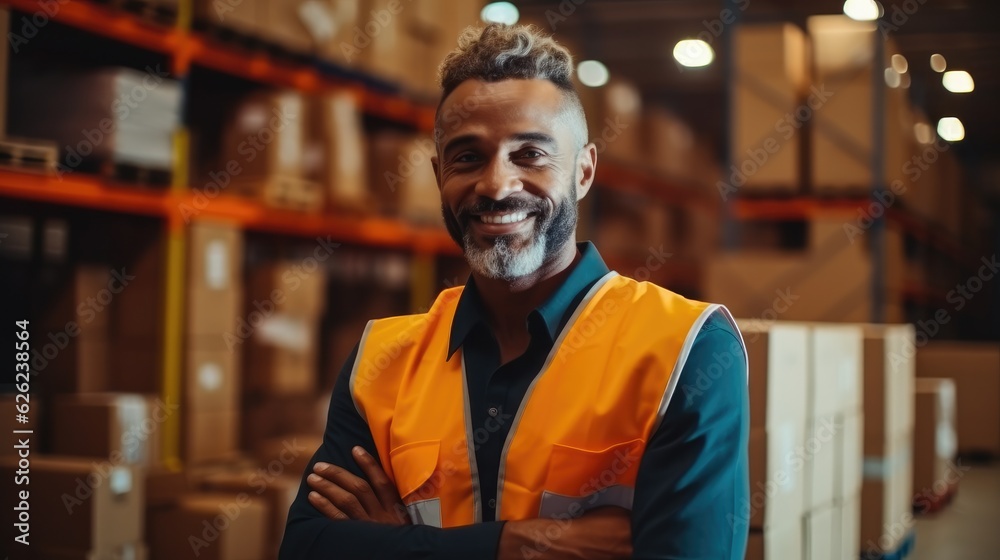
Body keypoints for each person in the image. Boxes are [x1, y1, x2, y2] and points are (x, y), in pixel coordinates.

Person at [279, 23, 749, 560]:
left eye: (530, 155)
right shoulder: (381, 360)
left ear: (584, 171)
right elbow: (308, 549)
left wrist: (399, 542)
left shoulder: (684, 349)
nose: (496, 186)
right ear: (438, 176)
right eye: (467, 157)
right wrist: (516, 545)